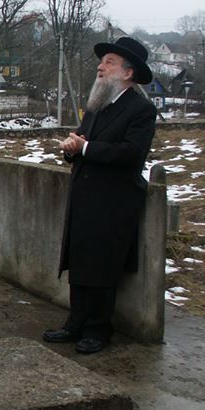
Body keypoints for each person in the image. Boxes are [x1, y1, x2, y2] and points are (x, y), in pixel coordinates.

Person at [43, 36, 157, 354]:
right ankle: (75, 321)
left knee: (103, 266)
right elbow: (82, 143)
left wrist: (86, 148)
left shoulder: (141, 110)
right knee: (79, 262)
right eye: (102, 61)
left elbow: (132, 154)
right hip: (85, 196)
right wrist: (71, 149)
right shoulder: (97, 105)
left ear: (128, 73)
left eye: (109, 62)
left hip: (114, 202)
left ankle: (98, 329)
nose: (100, 66)